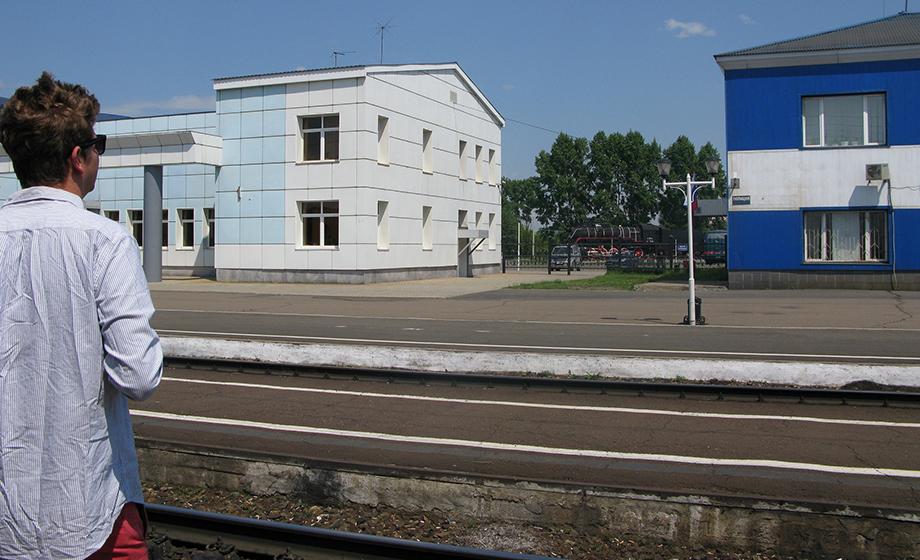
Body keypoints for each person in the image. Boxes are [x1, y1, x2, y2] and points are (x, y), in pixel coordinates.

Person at [0, 73, 162, 559]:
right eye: (99, 145)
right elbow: (138, 373)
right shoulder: (104, 240)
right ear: (78, 157)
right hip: (89, 505)